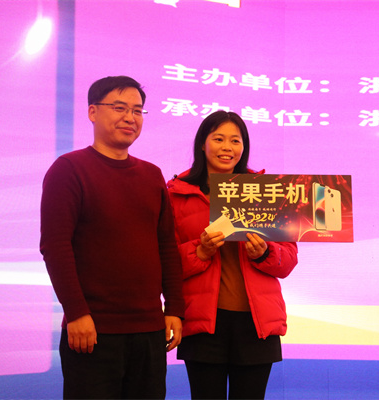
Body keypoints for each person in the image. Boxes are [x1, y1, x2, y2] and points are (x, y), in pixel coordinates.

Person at [40, 75, 184, 399]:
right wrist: (76, 312)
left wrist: (174, 307)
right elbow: (55, 247)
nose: (130, 118)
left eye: (137, 110)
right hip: (92, 329)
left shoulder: (152, 175)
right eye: (119, 108)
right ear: (93, 112)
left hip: (149, 330)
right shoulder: (69, 169)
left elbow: (166, 246)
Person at [167, 111, 298, 399]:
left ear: (244, 147)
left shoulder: (266, 191)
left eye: (235, 141)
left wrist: (264, 253)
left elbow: (288, 260)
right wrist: (200, 251)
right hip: (203, 323)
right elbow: (167, 265)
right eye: (218, 139)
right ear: (202, 143)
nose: (227, 147)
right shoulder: (177, 194)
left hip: (257, 323)